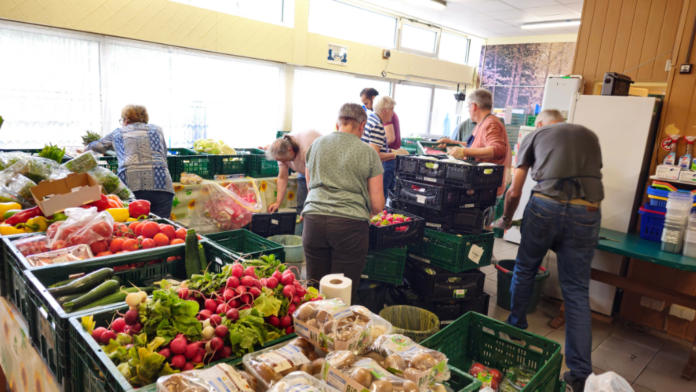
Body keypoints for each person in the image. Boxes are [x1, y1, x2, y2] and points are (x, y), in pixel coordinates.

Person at [492, 109, 603, 392]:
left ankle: (516, 328)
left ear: (541, 123)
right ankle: (580, 375)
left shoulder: (536, 134)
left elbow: (515, 190)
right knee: (576, 291)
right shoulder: (589, 135)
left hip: (545, 207)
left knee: (526, 268)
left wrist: (505, 219)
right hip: (586, 211)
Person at [302, 103, 385, 301]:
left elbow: (309, 186)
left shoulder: (316, 145)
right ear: (362, 125)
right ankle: (337, 331)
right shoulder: (368, 153)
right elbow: (377, 204)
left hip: (314, 221)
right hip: (350, 226)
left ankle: (313, 330)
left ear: (337, 123)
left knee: (314, 289)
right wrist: (371, 214)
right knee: (340, 294)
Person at [86, 104, 175, 218]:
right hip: (162, 183)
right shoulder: (158, 130)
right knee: (161, 226)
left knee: (134, 225)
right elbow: (163, 153)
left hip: (132, 185)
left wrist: (85, 148)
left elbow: (95, 146)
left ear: (126, 121)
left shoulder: (118, 132)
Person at [439, 89, 511, 224]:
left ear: (474, 106)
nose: (469, 110)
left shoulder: (490, 124)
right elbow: (477, 146)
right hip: (481, 188)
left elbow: (498, 150)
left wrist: (464, 152)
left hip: (487, 190)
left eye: (468, 107)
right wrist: (453, 143)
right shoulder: (482, 124)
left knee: (479, 228)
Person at [265, 130, 322, 218]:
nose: (283, 162)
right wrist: (278, 202)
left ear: (290, 150)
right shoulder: (282, 151)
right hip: (304, 171)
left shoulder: (306, 149)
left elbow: (311, 183)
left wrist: (308, 206)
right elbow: (283, 177)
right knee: (301, 205)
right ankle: (301, 228)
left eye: (284, 159)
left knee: (312, 207)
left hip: (319, 170)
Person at [361, 88, 401, 196]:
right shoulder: (378, 126)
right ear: (384, 111)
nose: (393, 113)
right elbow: (375, 155)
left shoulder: (370, 119)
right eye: (392, 109)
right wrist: (395, 155)